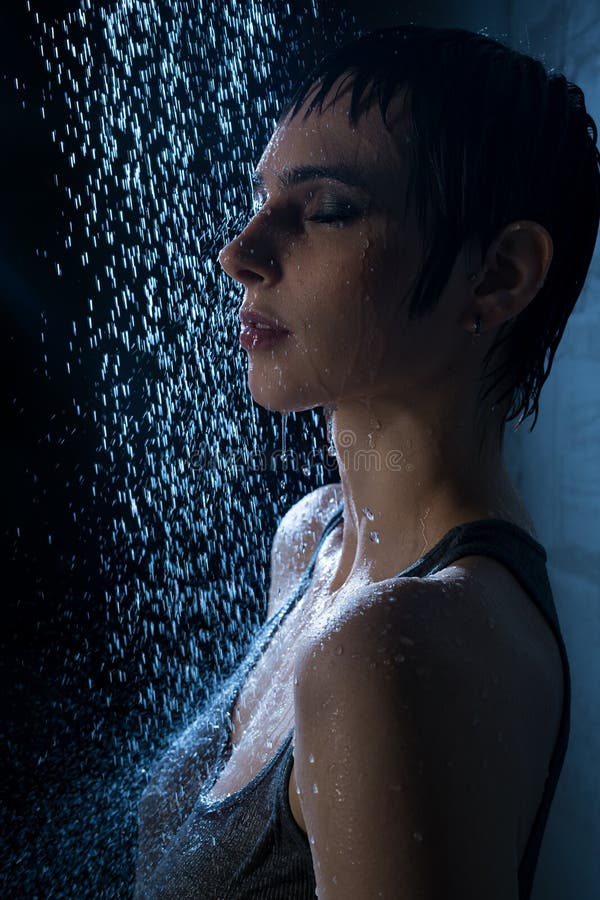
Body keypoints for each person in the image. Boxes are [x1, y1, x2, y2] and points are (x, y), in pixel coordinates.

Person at [134, 25, 599, 899]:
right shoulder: (310, 541)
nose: (240, 253)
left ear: (497, 275)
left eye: (330, 209)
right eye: (263, 197)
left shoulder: (391, 650)